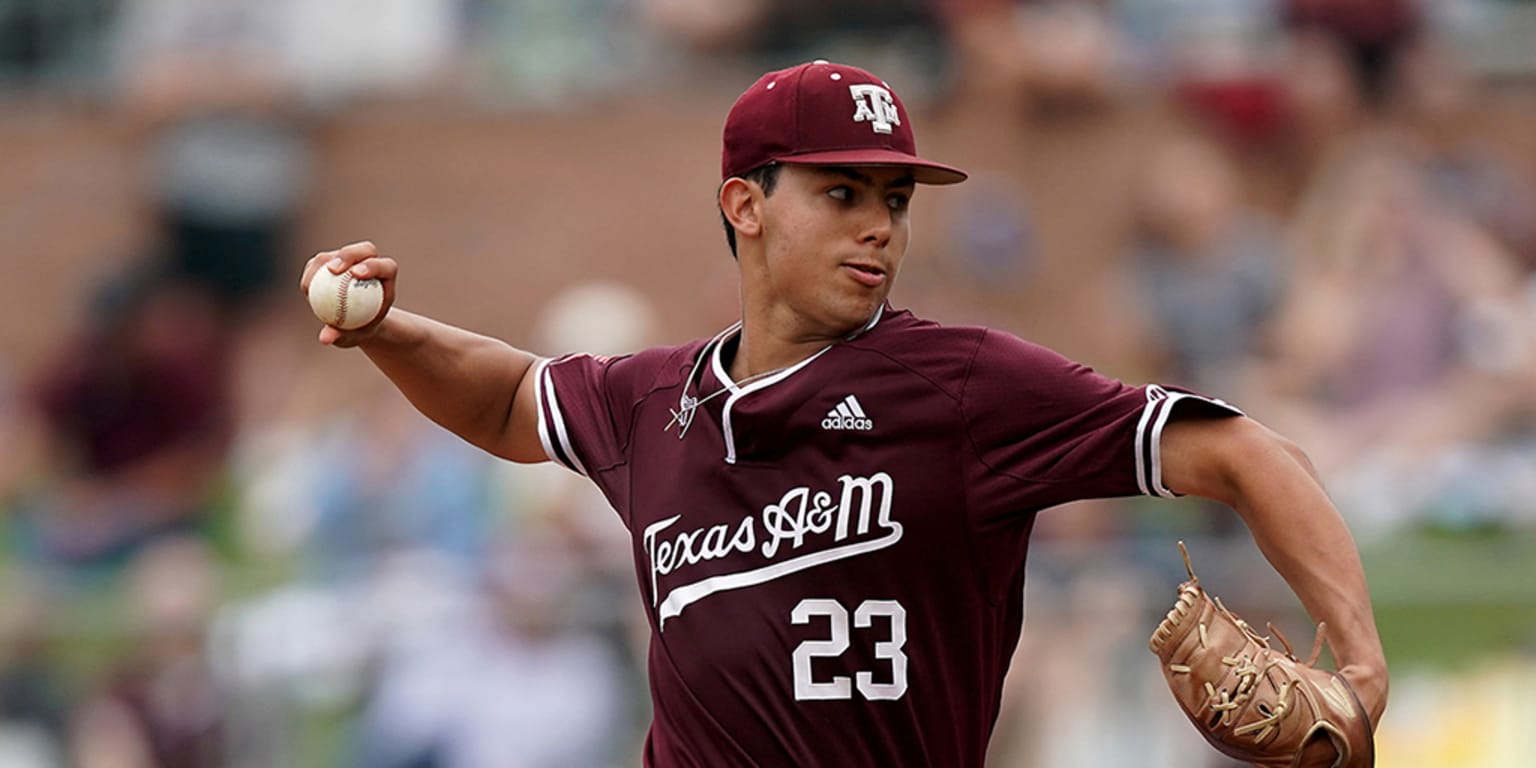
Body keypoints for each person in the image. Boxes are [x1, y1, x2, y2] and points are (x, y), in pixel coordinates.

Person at [299, 59, 1387, 767]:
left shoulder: (965, 387)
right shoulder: (648, 401)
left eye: (895, 200)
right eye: (842, 193)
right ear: (745, 206)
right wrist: (390, 331)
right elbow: (503, 400)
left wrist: (1360, 658)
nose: (879, 227)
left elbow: (1249, 451)